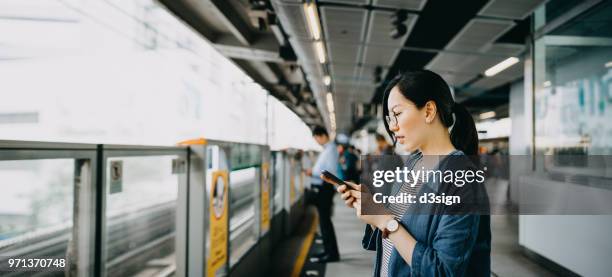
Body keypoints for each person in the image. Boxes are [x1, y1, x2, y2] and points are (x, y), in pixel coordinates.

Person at [323, 70, 491, 276]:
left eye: (398, 113)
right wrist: (372, 209)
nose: (392, 127)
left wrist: (385, 221)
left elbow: (443, 271)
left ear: (429, 111)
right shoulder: (414, 163)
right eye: (390, 117)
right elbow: (398, 238)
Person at [304, 125, 341, 263]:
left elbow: (328, 171)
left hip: (325, 189)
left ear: (322, 136)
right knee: (324, 221)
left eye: (316, 138)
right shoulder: (328, 149)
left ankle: (331, 254)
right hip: (323, 189)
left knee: (325, 222)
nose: (316, 141)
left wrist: (312, 172)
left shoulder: (330, 150)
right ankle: (328, 251)